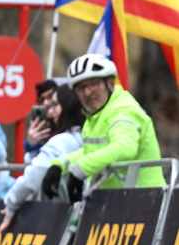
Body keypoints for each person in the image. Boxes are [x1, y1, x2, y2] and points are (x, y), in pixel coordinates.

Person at [43, 53, 165, 200]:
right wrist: (59, 165)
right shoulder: (95, 116)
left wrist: (82, 168)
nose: (88, 92)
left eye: (94, 84)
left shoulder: (124, 110)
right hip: (115, 201)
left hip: (147, 200)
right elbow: (91, 152)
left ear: (110, 83)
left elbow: (125, 147)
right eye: (81, 88)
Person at [0, 84, 83, 233]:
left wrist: (11, 204)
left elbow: (33, 177)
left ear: (68, 105)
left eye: (55, 105)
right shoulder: (87, 137)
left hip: (60, 220)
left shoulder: (62, 141)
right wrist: (33, 148)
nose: (49, 113)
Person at [24, 79, 58, 159]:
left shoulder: (68, 119)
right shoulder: (38, 121)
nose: (46, 103)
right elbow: (29, 150)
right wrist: (30, 142)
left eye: (50, 97)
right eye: (42, 99)